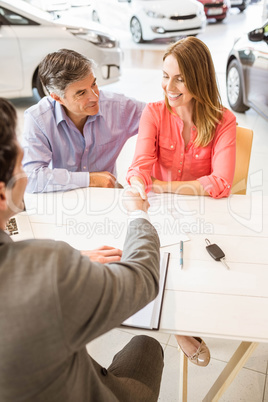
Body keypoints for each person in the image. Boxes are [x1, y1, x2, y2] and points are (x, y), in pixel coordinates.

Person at [0, 98, 164, 401]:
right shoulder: (50, 266)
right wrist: (138, 215)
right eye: (18, 152)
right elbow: (142, 280)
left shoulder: (47, 264)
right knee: (147, 347)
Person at [127, 36, 237, 366]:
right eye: (164, 75)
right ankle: (178, 326)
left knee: (196, 262)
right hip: (162, 210)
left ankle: (185, 318)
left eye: (179, 78)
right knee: (155, 256)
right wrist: (139, 183)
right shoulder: (154, 113)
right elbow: (140, 166)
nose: (169, 86)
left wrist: (165, 185)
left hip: (203, 213)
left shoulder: (223, 120)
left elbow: (221, 184)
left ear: (199, 78)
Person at [22, 49, 145, 193]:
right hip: (61, 200)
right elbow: (31, 178)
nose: (94, 96)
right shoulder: (38, 119)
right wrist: (90, 179)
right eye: (81, 93)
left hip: (106, 196)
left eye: (93, 84)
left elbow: (162, 117)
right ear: (57, 98)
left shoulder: (119, 107)